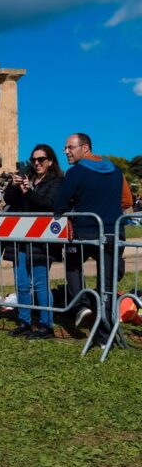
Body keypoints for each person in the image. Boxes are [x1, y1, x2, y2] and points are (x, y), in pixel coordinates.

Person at [54, 133, 132, 348]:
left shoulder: (76, 172)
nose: (66, 151)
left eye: (70, 147)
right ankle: (105, 338)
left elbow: (58, 205)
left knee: (72, 266)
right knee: (106, 286)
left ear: (85, 148)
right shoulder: (116, 170)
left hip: (84, 233)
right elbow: (127, 200)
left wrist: (72, 209)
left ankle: (81, 304)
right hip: (113, 233)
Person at [3, 144, 63, 339]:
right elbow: (8, 199)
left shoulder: (56, 182)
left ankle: (47, 325)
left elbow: (48, 205)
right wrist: (13, 185)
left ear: (50, 161)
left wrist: (28, 192)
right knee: (21, 283)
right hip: (20, 236)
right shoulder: (27, 176)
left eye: (41, 160)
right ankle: (25, 322)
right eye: (33, 160)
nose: (36, 163)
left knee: (40, 283)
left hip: (41, 239)